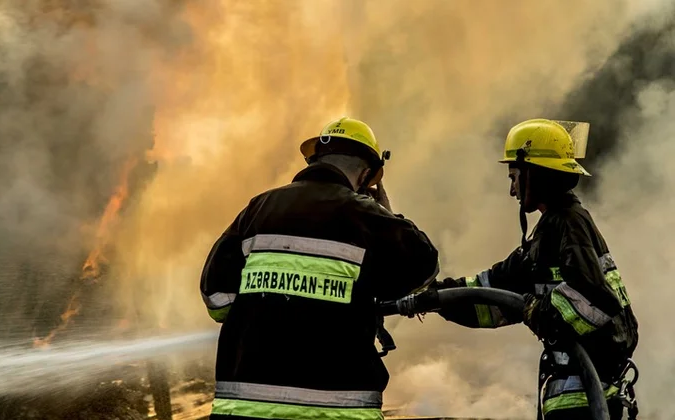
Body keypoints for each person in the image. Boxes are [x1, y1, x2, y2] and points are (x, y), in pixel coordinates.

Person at [199, 116, 440, 420]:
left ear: (314, 161)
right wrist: (387, 213)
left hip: (246, 406)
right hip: (338, 409)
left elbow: (216, 299)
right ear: (366, 176)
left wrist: (266, 311)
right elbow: (425, 268)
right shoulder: (366, 216)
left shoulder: (258, 209)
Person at [430, 118, 639, 419]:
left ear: (534, 174)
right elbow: (495, 291)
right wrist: (435, 296)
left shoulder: (570, 222)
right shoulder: (548, 231)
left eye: (513, 177)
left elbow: (595, 297)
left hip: (586, 401)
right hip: (571, 398)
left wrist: (539, 311)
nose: (512, 190)